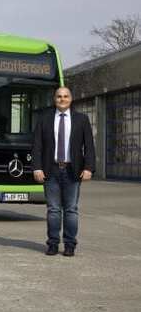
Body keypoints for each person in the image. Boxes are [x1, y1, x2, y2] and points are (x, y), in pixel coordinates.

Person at [32, 87, 95, 257]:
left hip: (72, 170)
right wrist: (37, 167)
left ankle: (70, 245)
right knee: (53, 209)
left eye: (65, 96)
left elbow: (89, 145)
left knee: (71, 209)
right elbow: (37, 145)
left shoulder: (81, 119)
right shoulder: (44, 119)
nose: (62, 99)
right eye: (59, 96)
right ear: (54, 99)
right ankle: (52, 244)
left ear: (71, 99)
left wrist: (89, 168)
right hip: (50, 170)